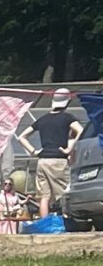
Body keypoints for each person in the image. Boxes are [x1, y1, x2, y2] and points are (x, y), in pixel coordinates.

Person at [28, 91, 85, 219]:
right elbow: (81, 130)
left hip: (42, 161)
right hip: (58, 160)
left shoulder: (43, 119)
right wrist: (69, 148)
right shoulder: (67, 118)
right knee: (64, 193)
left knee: (44, 196)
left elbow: (22, 137)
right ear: (67, 102)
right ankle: (66, 220)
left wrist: (34, 151)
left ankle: (45, 223)